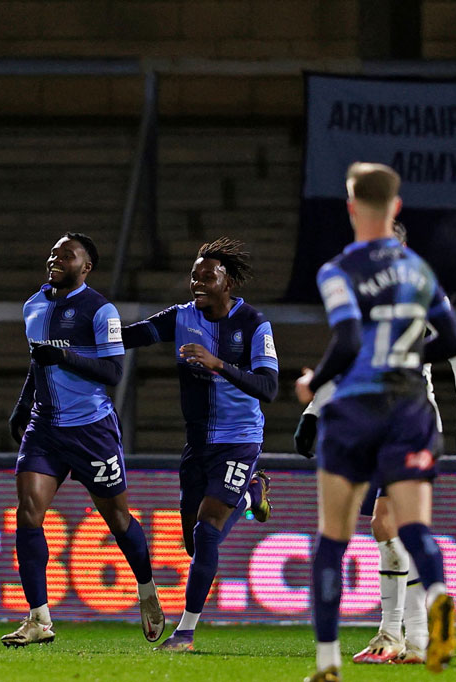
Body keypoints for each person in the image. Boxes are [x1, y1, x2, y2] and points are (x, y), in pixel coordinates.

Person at [295, 163, 456, 682]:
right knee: (414, 529)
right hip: (413, 407)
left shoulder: (338, 269)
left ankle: (327, 663)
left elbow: (347, 341)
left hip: (358, 409)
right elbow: (454, 343)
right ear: (396, 207)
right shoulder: (420, 271)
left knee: (333, 539)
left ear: (351, 207)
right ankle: (438, 604)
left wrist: (312, 384)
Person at [4, 232, 164, 647]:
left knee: (118, 519)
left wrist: (64, 357)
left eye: (66, 254)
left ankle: (146, 591)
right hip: (45, 429)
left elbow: (113, 372)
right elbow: (37, 362)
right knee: (27, 512)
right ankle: (39, 619)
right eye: (53, 251)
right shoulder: (33, 305)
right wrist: (24, 404)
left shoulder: (100, 310)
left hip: (91, 429)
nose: (55, 257)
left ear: (86, 267)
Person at [121, 237, 277, 652]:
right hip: (197, 444)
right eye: (194, 276)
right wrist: (86, 336)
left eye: (208, 277)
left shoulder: (254, 324)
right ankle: (250, 495)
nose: (198, 283)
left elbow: (269, 387)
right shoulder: (181, 318)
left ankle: (186, 633)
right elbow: (133, 336)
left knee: (207, 534)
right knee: (193, 540)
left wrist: (219, 364)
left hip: (239, 440)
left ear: (228, 282)